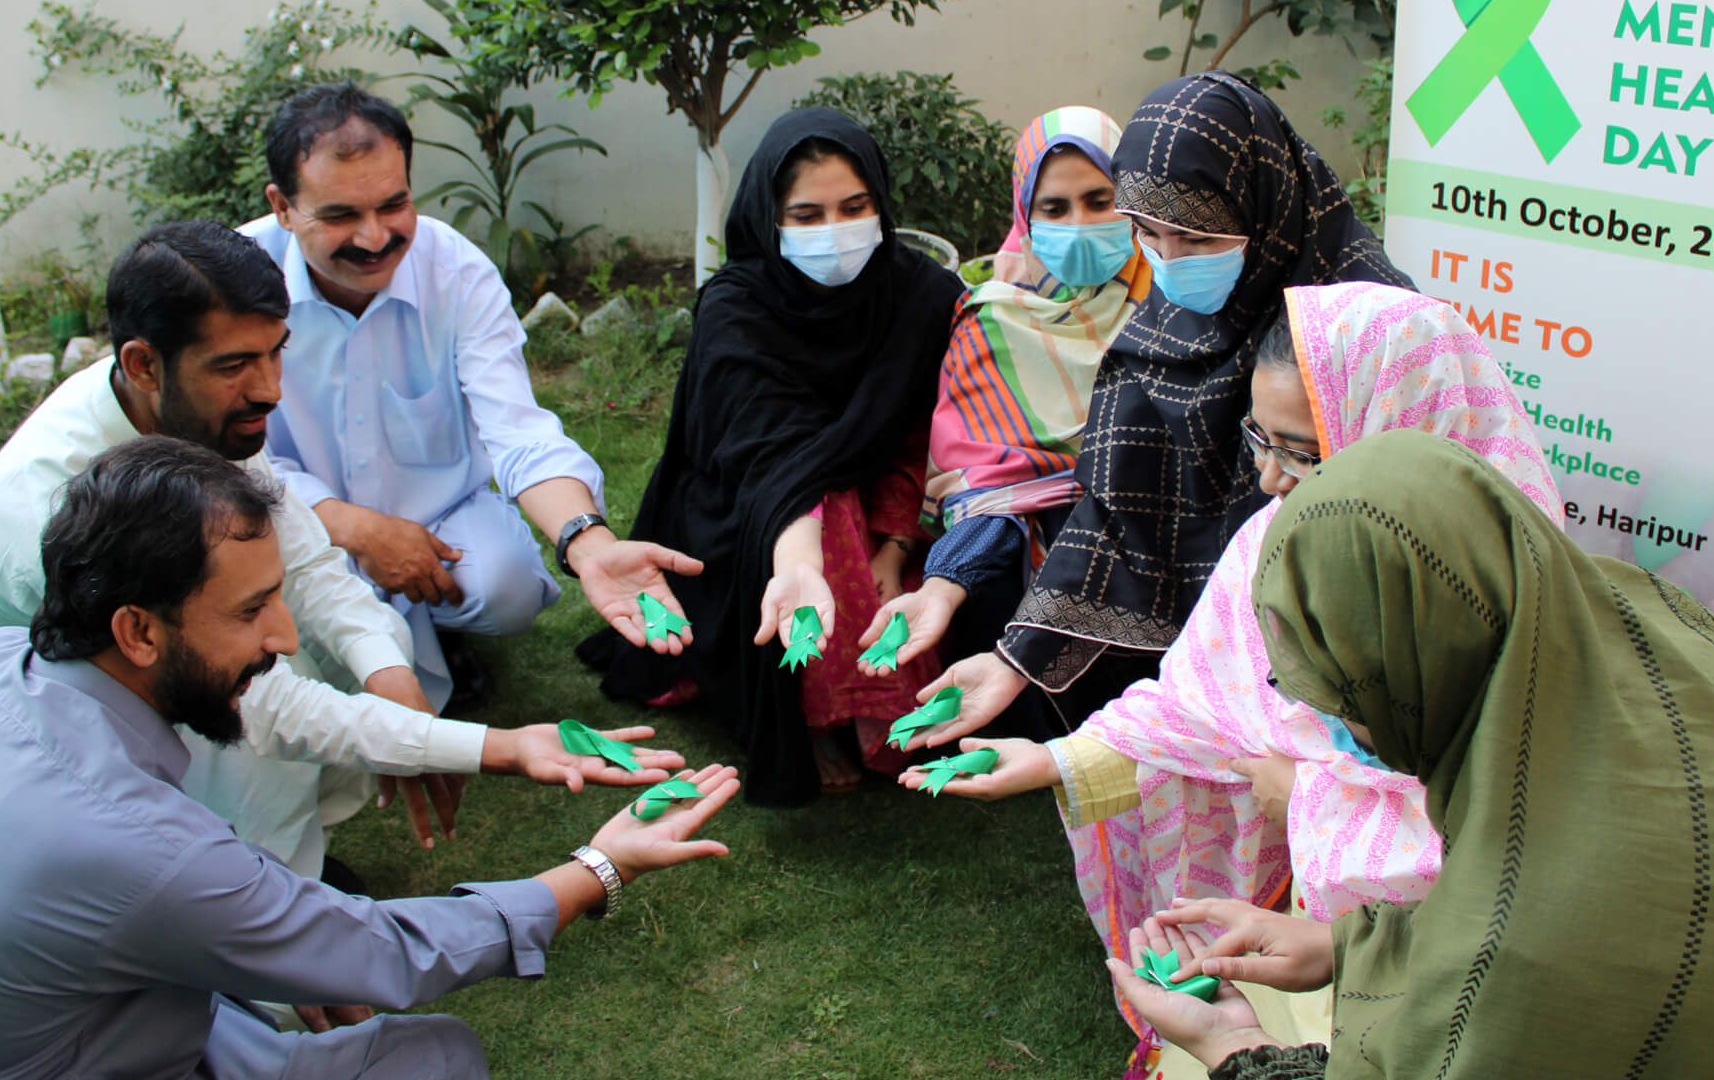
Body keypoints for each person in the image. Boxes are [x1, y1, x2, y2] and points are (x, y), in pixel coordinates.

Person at [0, 437, 737, 1080]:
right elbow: (385, 955)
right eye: (251, 613)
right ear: (137, 627)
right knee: (433, 1061)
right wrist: (598, 867)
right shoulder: (130, 846)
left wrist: (261, 936)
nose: (283, 639)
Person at [1109, 428, 1714, 1080]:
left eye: (1342, 686)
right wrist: (1349, 941)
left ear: (1419, 669)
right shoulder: (1645, 637)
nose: (1327, 721)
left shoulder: (1528, 946)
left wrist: (1232, 1042)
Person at [911, 284, 1559, 1080]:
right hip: (1325, 945)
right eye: (1259, 437)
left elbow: (1518, 859)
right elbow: (1195, 709)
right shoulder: (1275, 542)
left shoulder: (1518, 602)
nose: (1265, 476)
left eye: (1301, 451)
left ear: (1399, 428)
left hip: (1454, 1006)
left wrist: (1300, 790)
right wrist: (1047, 760)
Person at [0, 221, 668, 880]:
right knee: (250, 728)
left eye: (276, 353)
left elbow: (310, 558)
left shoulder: (196, 421)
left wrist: (391, 675)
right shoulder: (45, 507)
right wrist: (482, 745)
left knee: (331, 656)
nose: (270, 390)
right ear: (143, 363)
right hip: (47, 776)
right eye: (233, 365)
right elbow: (247, 702)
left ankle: (284, 892)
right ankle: (264, 938)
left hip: (154, 703)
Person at [907, 71, 1411, 749]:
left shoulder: (1375, 326)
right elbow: (1118, 508)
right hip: (1212, 675)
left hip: (1349, 669)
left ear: (1263, 205)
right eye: (1148, 234)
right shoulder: (1167, 323)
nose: (1171, 262)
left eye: (1198, 240)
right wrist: (1017, 659)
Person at [244, 81, 697, 708]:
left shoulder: (455, 271)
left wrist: (587, 541)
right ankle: (415, 637)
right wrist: (353, 527)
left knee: (508, 585)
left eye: (393, 205)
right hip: (290, 525)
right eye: (341, 215)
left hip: (439, 523)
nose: (375, 238)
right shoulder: (236, 282)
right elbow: (226, 462)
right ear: (283, 206)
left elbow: (515, 430)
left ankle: (433, 630)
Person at [580, 108, 965, 805]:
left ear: (882, 204)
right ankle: (818, 714)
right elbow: (768, 455)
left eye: (855, 207)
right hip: (750, 510)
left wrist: (898, 540)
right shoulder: (737, 305)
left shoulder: (921, 296)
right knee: (827, 505)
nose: (834, 232)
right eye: (807, 214)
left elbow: (931, 435)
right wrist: (799, 561)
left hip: (898, 500)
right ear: (769, 218)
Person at [858, 106, 1148, 697]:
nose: (1082, 223)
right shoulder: (991, 320)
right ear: (1025, 213)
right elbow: (983, 485)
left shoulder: (1170, 305)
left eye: (1101, 200)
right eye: (1055, 208)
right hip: (1023, 558)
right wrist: (943, 584)